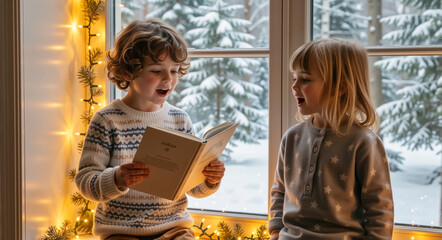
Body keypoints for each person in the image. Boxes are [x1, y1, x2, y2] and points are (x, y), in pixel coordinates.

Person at [75, 18, 226, 240]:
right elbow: (86, 181)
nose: (168, 79)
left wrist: (210, 180)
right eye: (156, 70)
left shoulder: (179, 120)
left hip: (174, 228)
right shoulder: (107, 120)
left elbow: (192, 188)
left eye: (174, 70)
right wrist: (116, 179)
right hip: (120, 231)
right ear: (128, 73)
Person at [268, 38, 394, 240]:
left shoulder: (363, 143)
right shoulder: (291, 138)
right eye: (294, 77)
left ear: (340, 87)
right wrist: (275, 232)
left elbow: (379, 210)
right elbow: (280, 191)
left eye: (305, 79)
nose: (294, 86)